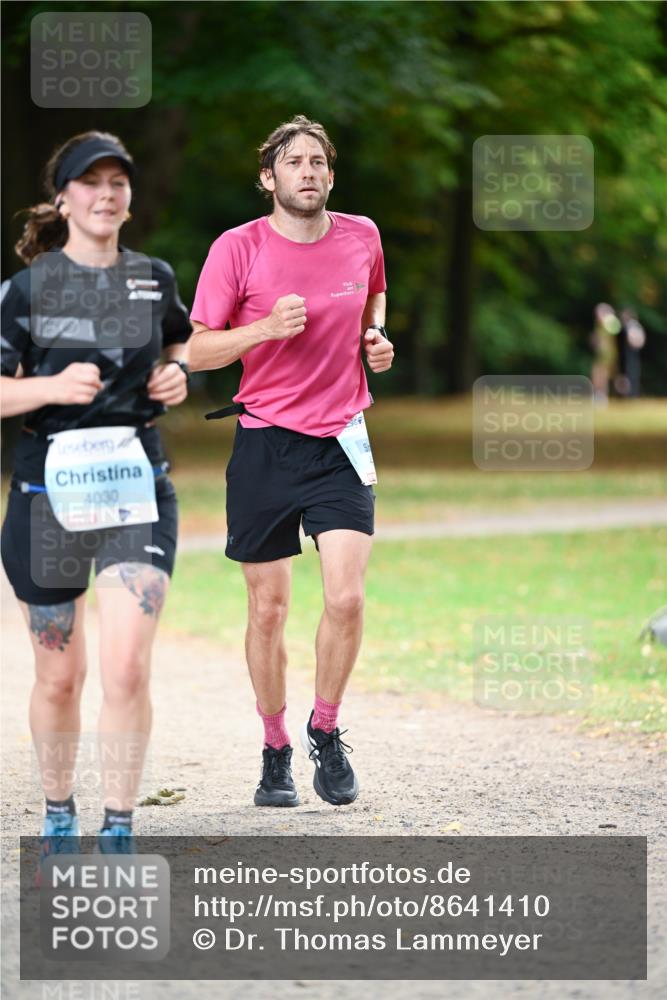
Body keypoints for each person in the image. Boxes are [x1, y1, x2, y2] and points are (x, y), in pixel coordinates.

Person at [189, 115, 394, 808]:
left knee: (345, 596)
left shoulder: (361, 235)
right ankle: (275, 746)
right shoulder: (236, 248)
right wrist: (264, 330)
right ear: (267, 177)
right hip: (264, 443)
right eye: (292, 162)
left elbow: (373, 298)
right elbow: (198, 352)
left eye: (317, 161)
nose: (306, 171)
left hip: (340, 439)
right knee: (268, 608)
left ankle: (325, 730)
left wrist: (376, 339)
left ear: (330, 175)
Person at [0, 131, 192, 857]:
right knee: (60, 675)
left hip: (134, 493)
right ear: (63, 198)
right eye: (91, 182)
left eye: (118, 182)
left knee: (126, 665)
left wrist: (177, 376)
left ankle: (118, 824)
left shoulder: (153, 278)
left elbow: (180, 342)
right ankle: (58, 809)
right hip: (46, 497)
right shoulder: (28, 289)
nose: (106, 194)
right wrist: (49, 386)